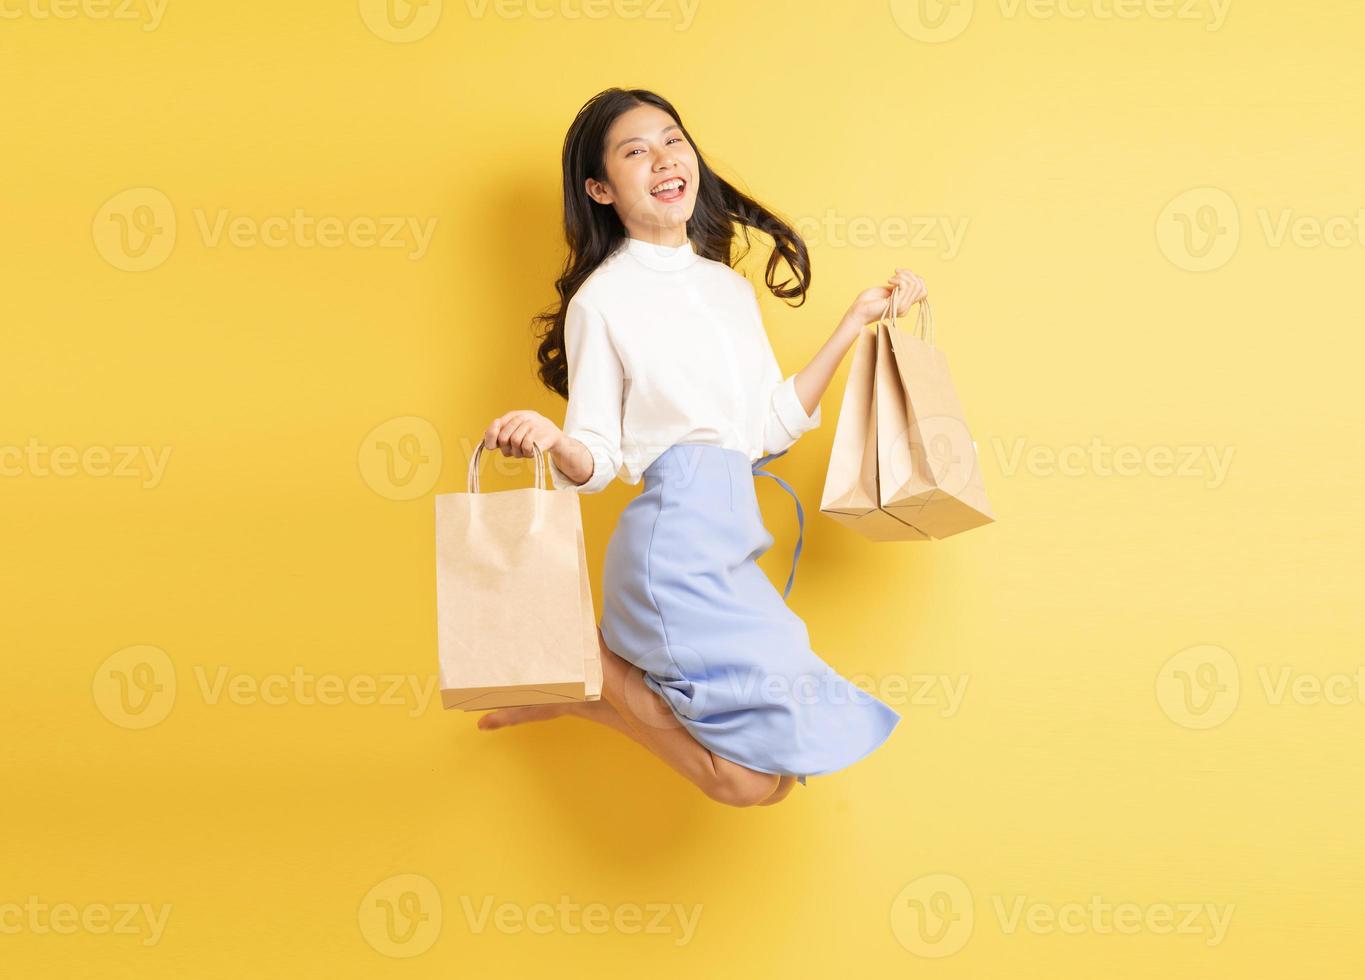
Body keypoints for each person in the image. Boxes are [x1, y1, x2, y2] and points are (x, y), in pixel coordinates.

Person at [478, 87, 927, 808]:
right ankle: (584, 659)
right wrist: (554, 440)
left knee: (775, 779)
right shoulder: (602, 299)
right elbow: (597, 457)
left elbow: (764, 429)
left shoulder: (726, 290)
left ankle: (590, 693)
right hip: (674, 548)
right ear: (600, 189)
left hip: (732, 543)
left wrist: (853, 324)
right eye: (634, 151)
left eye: (671, 139)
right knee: (745, 784)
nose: (663, 158)